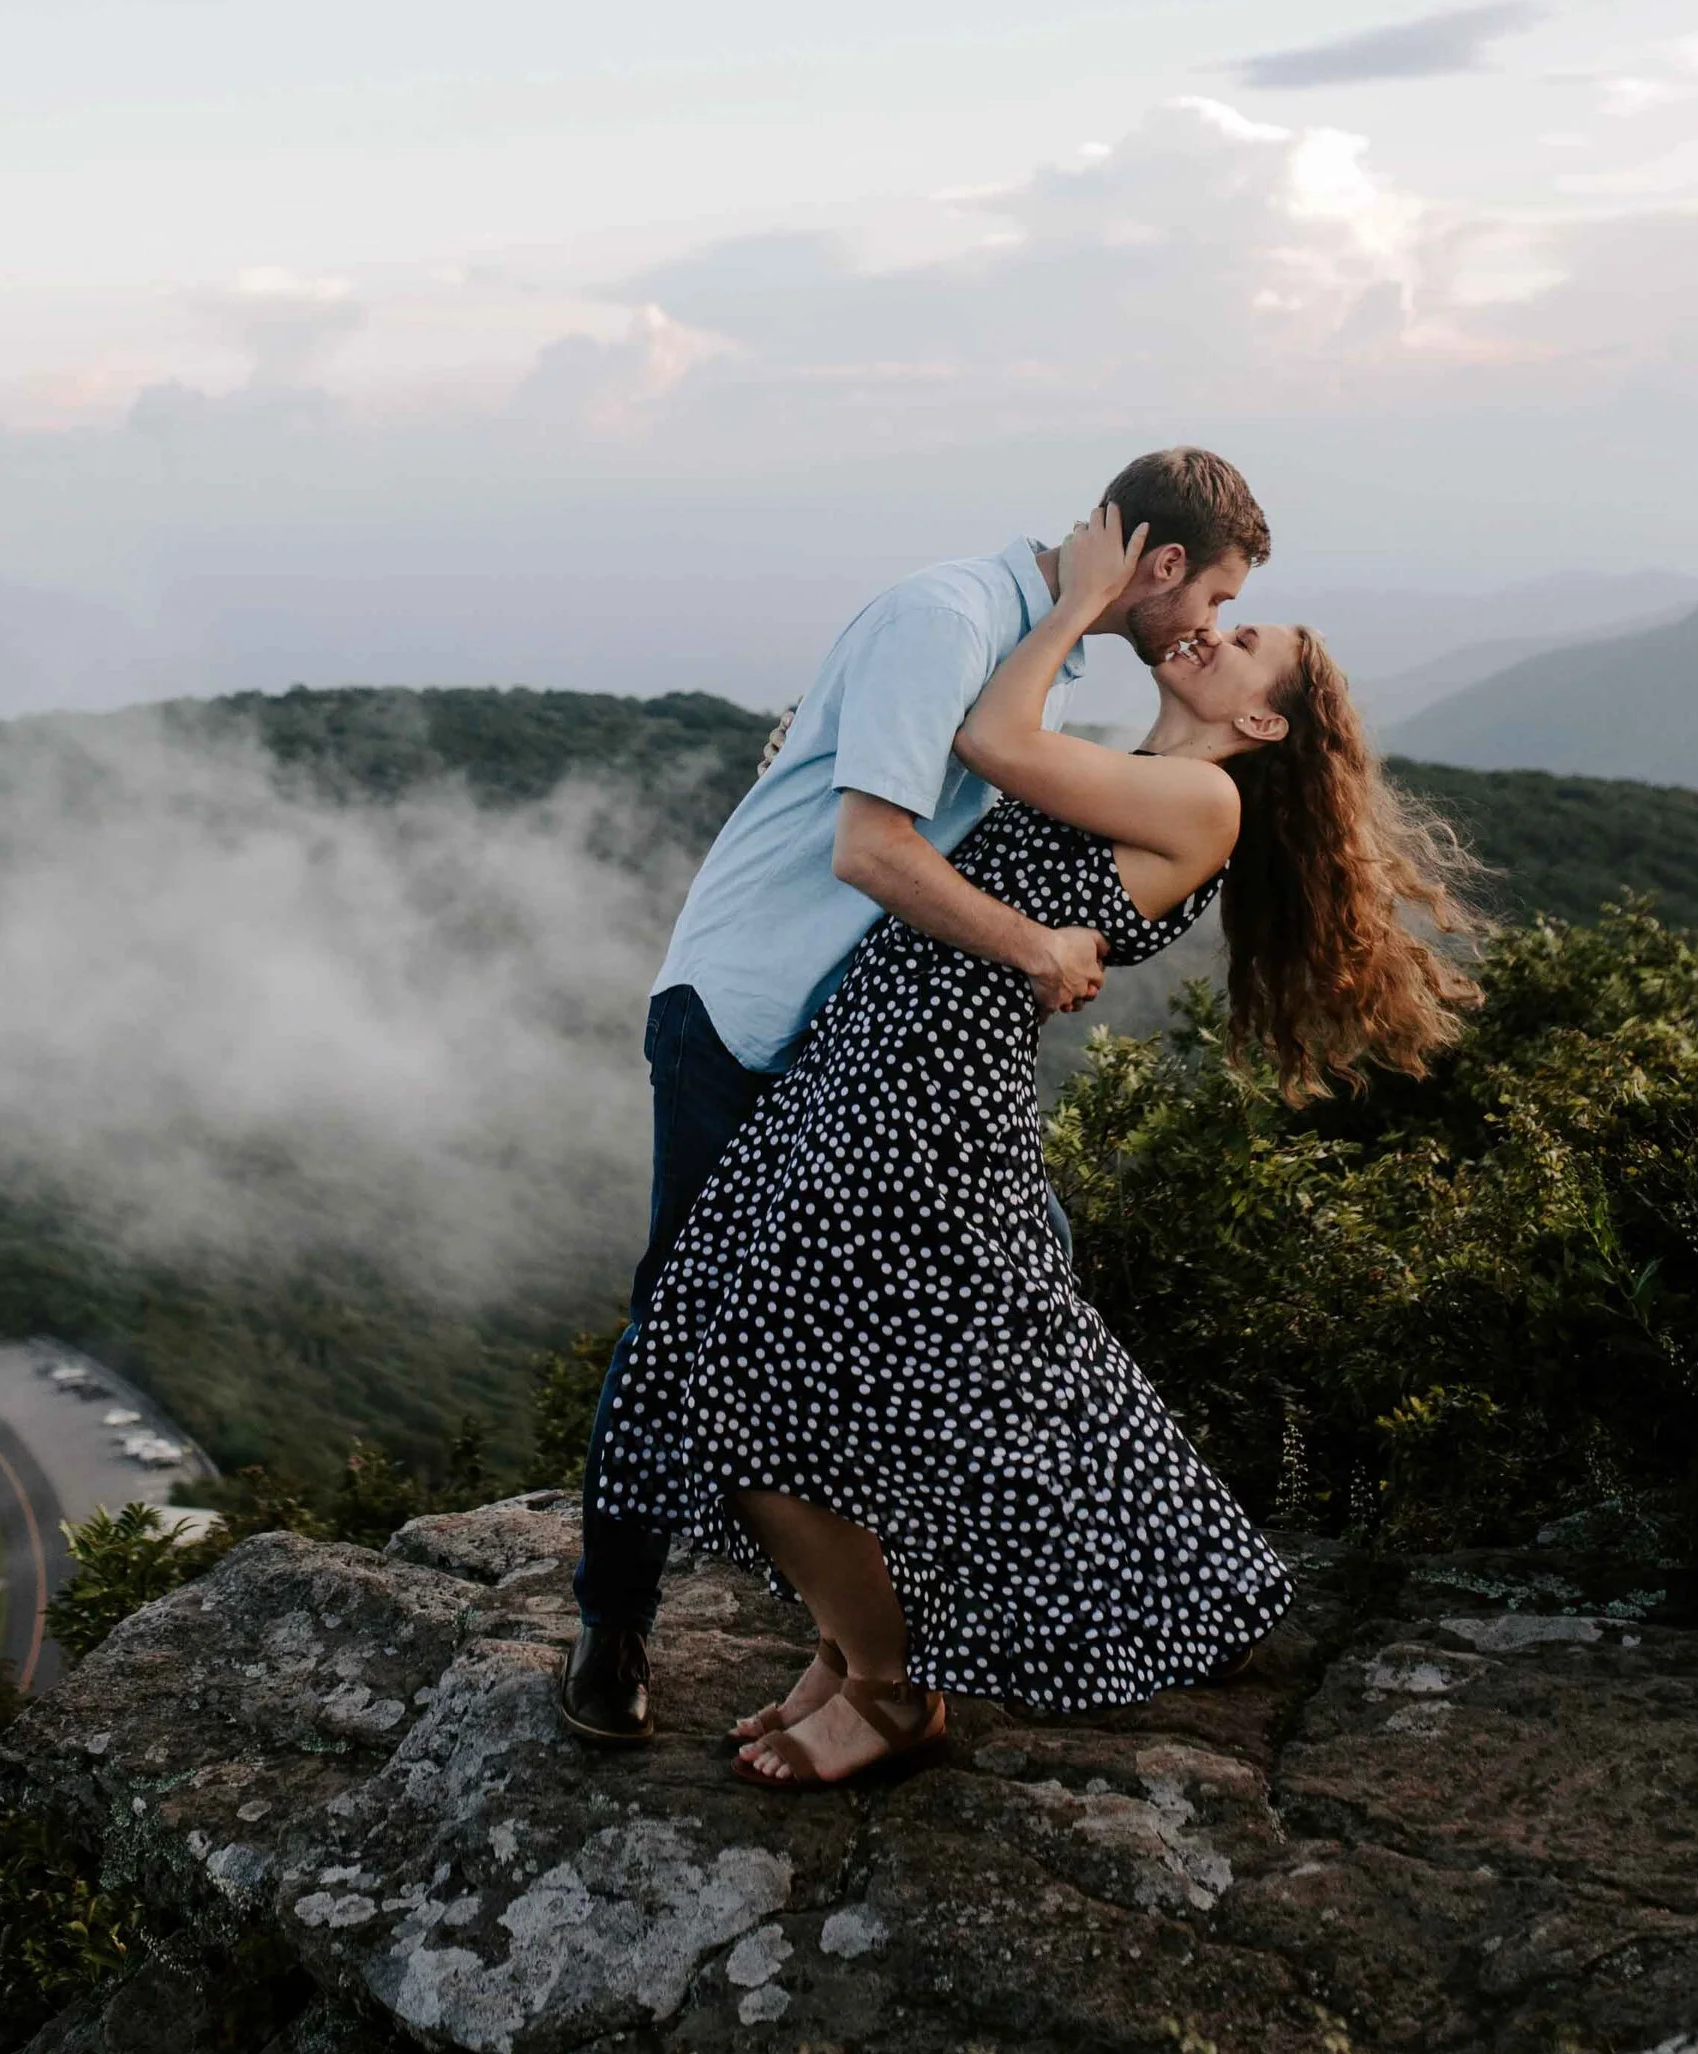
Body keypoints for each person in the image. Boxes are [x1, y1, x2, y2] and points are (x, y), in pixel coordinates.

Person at [590, 502, 1483, 1789]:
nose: (1209, 636)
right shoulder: (1135, 762)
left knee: (753, 1387)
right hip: (871, 1072)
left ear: (1265, 724)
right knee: (850, 1379)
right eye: (1218, 613)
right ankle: (851, 1661)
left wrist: (1077, 600)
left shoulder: (1198, 801)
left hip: (921, 1099)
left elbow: (986, 738)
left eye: (1241, 642)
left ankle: (891, 1692)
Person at [559, 445, 1271, 1749]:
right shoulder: (952, 618)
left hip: (873, 1053)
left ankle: (996, 1628)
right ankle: (618, 1623)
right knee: (694, 1321)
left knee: (994, 1309)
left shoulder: (1013, 644)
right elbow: (870, 844)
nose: (1208, 626)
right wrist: (1035, 947)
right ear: (1159, 566)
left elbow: (967, 798)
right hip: (756, 1016)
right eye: (1211, 598)